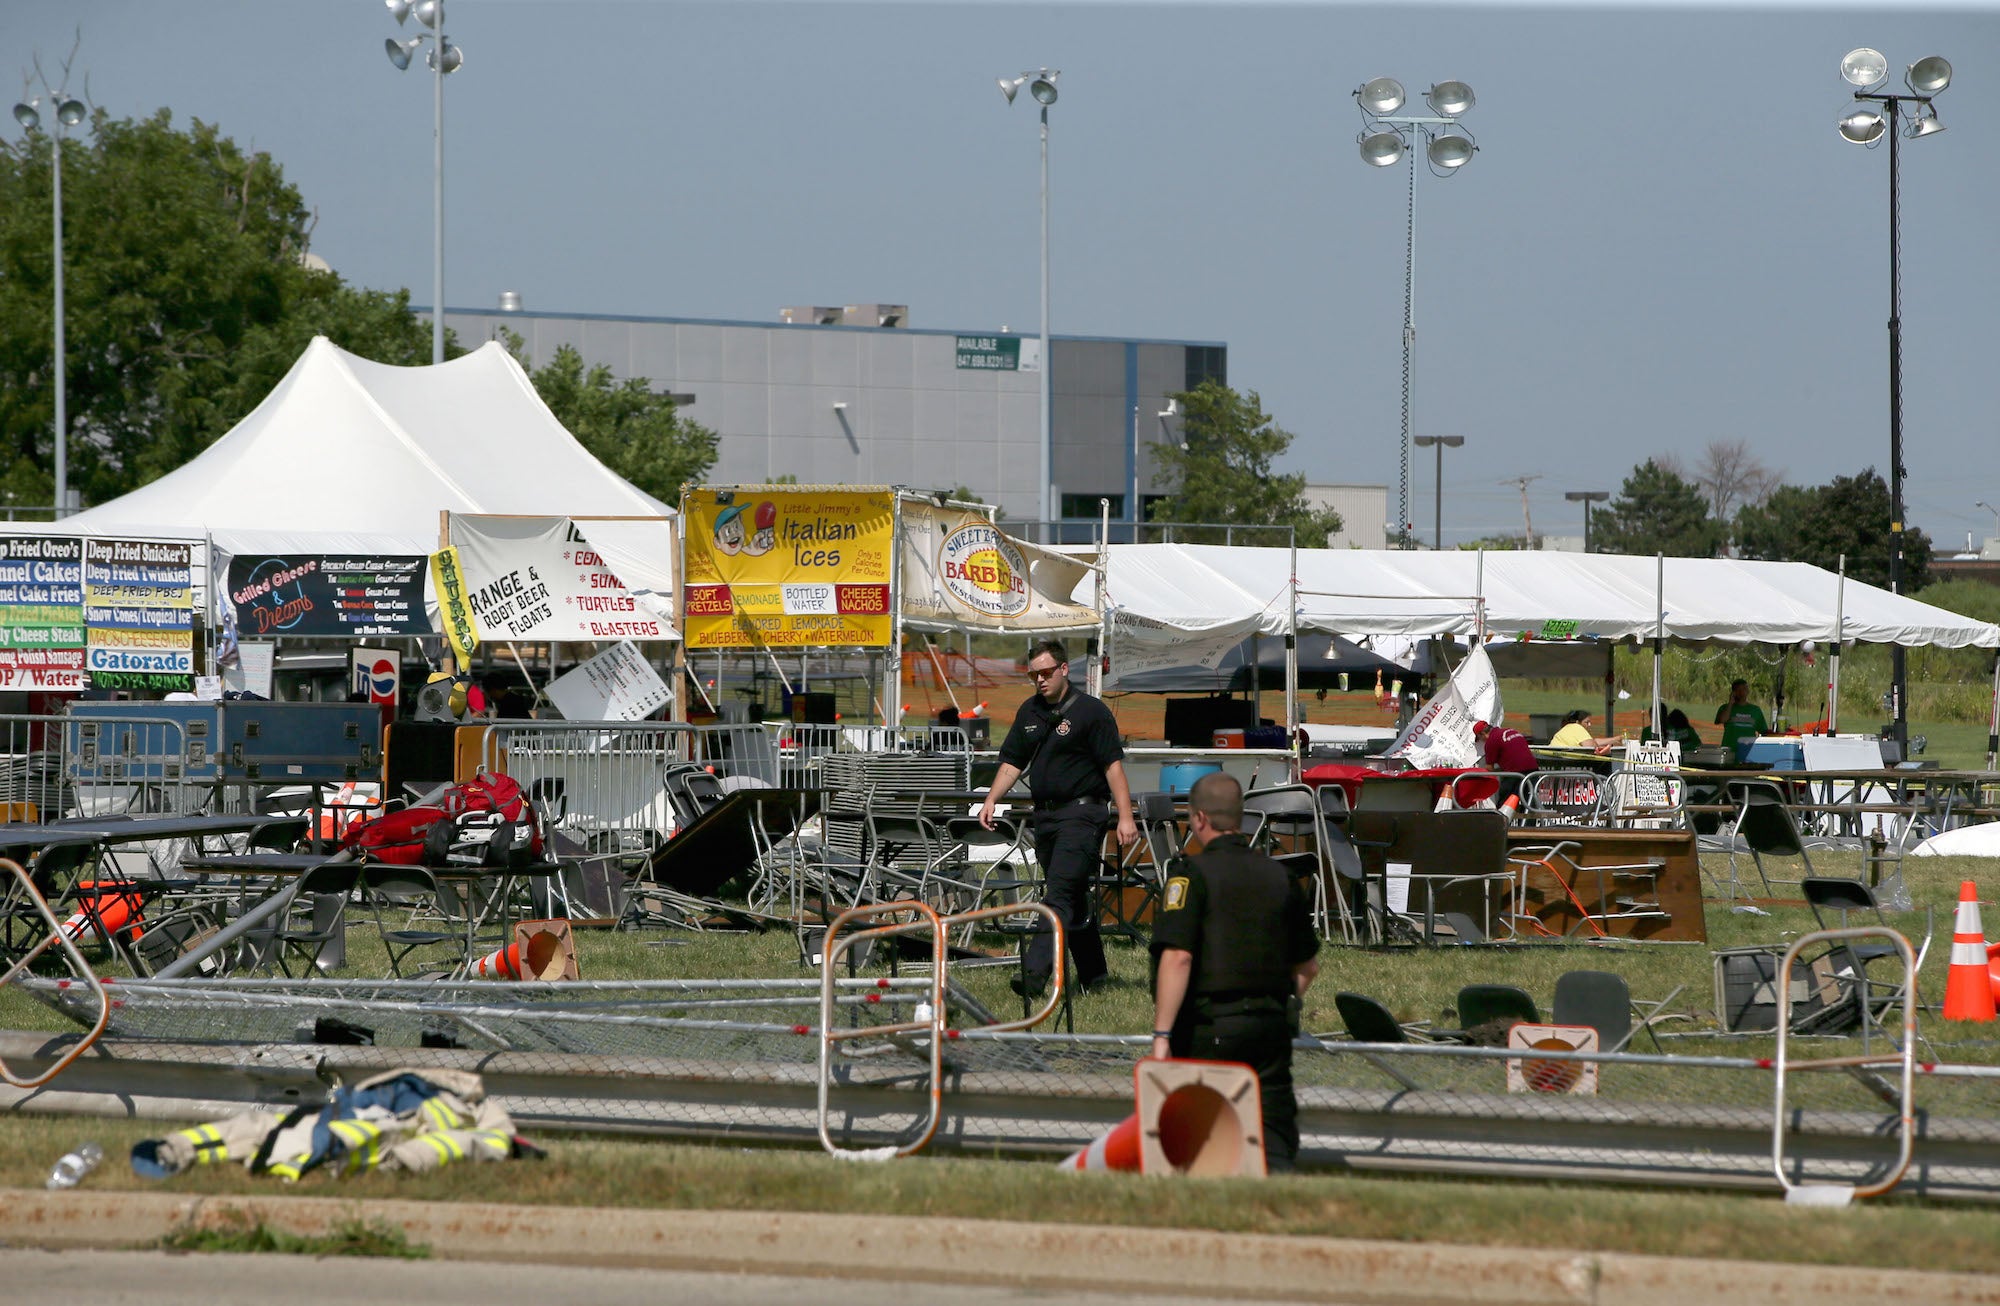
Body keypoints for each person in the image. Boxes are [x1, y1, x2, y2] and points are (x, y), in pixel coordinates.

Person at [1148, 772, 1321, 1172]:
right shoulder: (1280, 876)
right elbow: (1308, 966)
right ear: (1240, 818)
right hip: (1270, 1028)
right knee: (1273, 1141)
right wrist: (1276, 1000)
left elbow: (1177, 958)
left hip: (1210, 1028)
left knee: (1206, 1145)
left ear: (1199, 819)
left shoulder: (1190, 875)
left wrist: (1161, 1035)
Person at [981, 639, 1138, 997]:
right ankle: (1095, 976)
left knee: (1059, 894)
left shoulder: (1091, 712)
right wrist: (991, 799)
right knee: (1073, 895)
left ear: (1064, 669)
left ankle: (1034, 973)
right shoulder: (1029, 711)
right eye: (1033, 674)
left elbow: (1113, 767)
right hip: (1046, 817)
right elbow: (1012, 762)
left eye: (1046, 672)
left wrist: (1125, 816)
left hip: (1082, 813)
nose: (1040, 680)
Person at [1472, 718, 1538, 798]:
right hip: (1533, 768)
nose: (1481, 741)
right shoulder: (1511, 731)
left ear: (1482, 734)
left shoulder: (1491, 740)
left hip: (1515, 772)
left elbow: (1489, 769)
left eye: (1480, 738)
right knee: (1529, 800)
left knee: (1506, 800)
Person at [1714, 679, 1769, 757]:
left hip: (1748, 751)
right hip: (1729, 752)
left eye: (1744, 689)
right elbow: (1723, 720)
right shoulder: (1725, 708)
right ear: (1733, 692)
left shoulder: (1755, 710)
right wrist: (1730, 703)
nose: (1742, 693)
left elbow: (1764, 731)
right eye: (1738, 690)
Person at [1548, 709, 1622, 754]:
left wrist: (1615, 739)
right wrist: (1609, 747)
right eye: (1587, 722)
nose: (1589, 725)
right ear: (1577, 722)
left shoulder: (1567, 729)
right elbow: (1592, 747)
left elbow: (1593, 741)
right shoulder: (1577, 727)